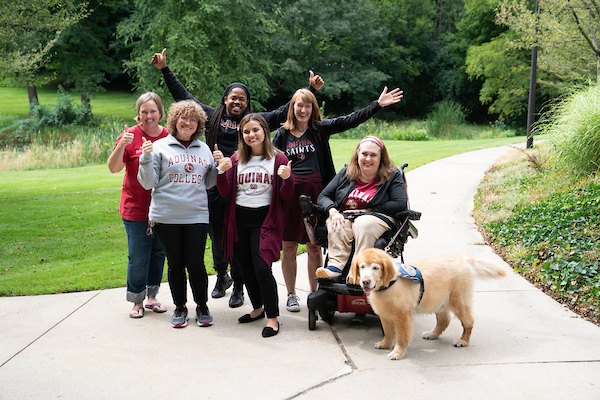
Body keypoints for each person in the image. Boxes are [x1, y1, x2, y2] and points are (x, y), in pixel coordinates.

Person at [151, 48, 323, 308]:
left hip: (245, 189)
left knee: (239, 240)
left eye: (242, 99)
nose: (237, 102)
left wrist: (308, 89)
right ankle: (222, 275)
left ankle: (240, 286)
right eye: (233, 98)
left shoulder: (254, 122)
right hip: (217, 184)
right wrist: (165, 69)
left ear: (247, 103)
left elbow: (285, 111)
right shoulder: (211, 116)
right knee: (218, 239)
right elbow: (183, 97)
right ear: (225, 100)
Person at [272, 87, 403, 311]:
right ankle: (291, 294)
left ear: (313, 108)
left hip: (316, 190)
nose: (303, 110)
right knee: (289, 246)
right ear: (292, 108)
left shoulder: (319, 129)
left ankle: (317, 292)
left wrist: (377, 105)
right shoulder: (282, 134)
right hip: (291, 191)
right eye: (299, 105)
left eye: (308, 105)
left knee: (314, 246)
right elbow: (273, 163)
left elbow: (350, 120)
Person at [137, 100, 217, 328]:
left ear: (198, 124)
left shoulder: (204, 149)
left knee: (196, 263)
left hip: (197, 216)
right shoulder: (160, 147)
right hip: (166, 216)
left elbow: (208, 184)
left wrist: (218, 169)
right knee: (175, 263)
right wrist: (145, 158)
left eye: (193, 119)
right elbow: (147, 183)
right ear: (174, 120)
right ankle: (180, 308)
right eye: (184, 118)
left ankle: (202, 306)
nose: (188, 122)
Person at [214, 114, 294, 337]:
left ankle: (272, 317)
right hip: (239, 220)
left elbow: (286, 196)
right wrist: (221, 171)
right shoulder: (236, 159)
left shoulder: (278, 159)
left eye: (255, 130)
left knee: (261, 266)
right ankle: (257, 307)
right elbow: (225, 191)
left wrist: (287, 179)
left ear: (265, 131)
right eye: (246, 132)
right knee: (245, 268)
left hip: (264, 221)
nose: (251, 135)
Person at [107, 92, 169, 319]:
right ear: (138, 115)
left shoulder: (168, 137)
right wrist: (121, 146)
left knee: (158, 253)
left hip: (163, 208)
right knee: (138, 256)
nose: (149, 116)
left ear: (160, 113)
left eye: (153, 111)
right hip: (135, 207)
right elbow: (113, 168)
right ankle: (137, 300)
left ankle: (152, 296)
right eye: (144, 112)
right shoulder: (130, 136)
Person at [315, 136, 408, 279]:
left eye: (373, 155)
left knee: (363, 224)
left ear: (381, 158)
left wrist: (371, 210)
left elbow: (400, 203)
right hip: (346, 216)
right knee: (337, 223)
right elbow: (323, 196)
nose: (368, 159)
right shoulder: (347, 173)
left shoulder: (392, 175)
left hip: (378, 217)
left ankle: (358, 271)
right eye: (364, 154)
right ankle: (335, 267)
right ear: (358, 154)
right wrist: (333, 212)